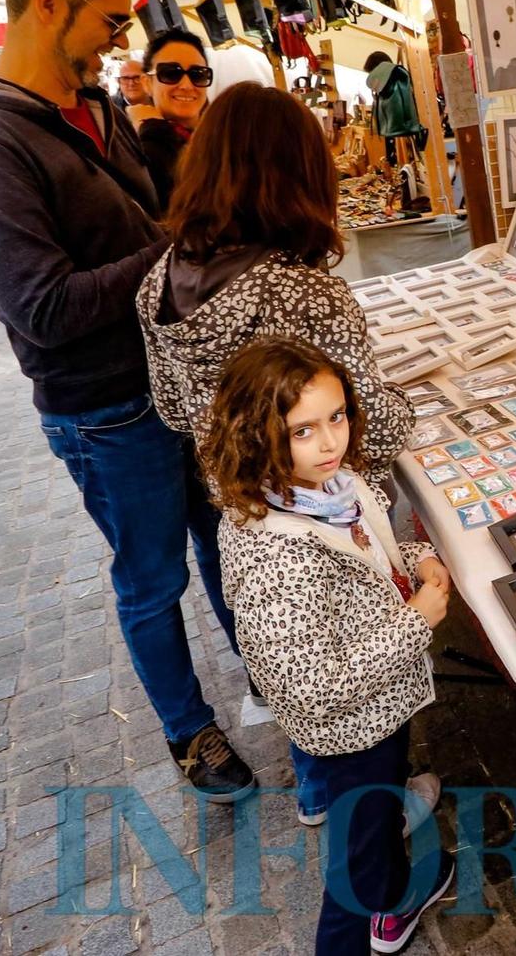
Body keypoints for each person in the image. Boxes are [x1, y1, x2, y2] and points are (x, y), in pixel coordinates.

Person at [0, 0, 255, 799]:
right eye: (110, 21)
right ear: (48, 4)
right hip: (106, 406)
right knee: (152, 578)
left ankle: (267, 671)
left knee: (227, 541)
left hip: (177, 379)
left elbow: (143, 224)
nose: (120, 42)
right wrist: (174, 250)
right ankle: (190, 730)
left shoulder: (100, 108)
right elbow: (40, 307)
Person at [138, 82, 418, 826]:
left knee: (298, 644)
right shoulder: (303, 292)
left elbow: (173, 410)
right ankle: (368, 819)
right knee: (355, 651)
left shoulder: (161, 279)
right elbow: (369, 424)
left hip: (247, 507)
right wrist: (403, 404)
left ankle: (318, 787)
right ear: (297, 172)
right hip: (331, 516)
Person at [199, 338, 455, 956]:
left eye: (337, 416)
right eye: (303, 430)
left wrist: (415, 556)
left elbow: (368, 541)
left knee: (377, 808)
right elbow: (310, 687)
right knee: (353, 864)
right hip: (350, 727)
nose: (330, 441)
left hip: (382, 704)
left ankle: (396, 888)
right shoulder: (275, 553)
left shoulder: (328, 485)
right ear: (257, 436)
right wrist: (416, 622)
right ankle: (367, 918)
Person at [126, 27, 213, 205]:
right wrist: (154, 130)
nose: (186, 85)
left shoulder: (223, 139)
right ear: (147, 83)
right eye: (171, 73)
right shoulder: (137, 151)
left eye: (198, 75)